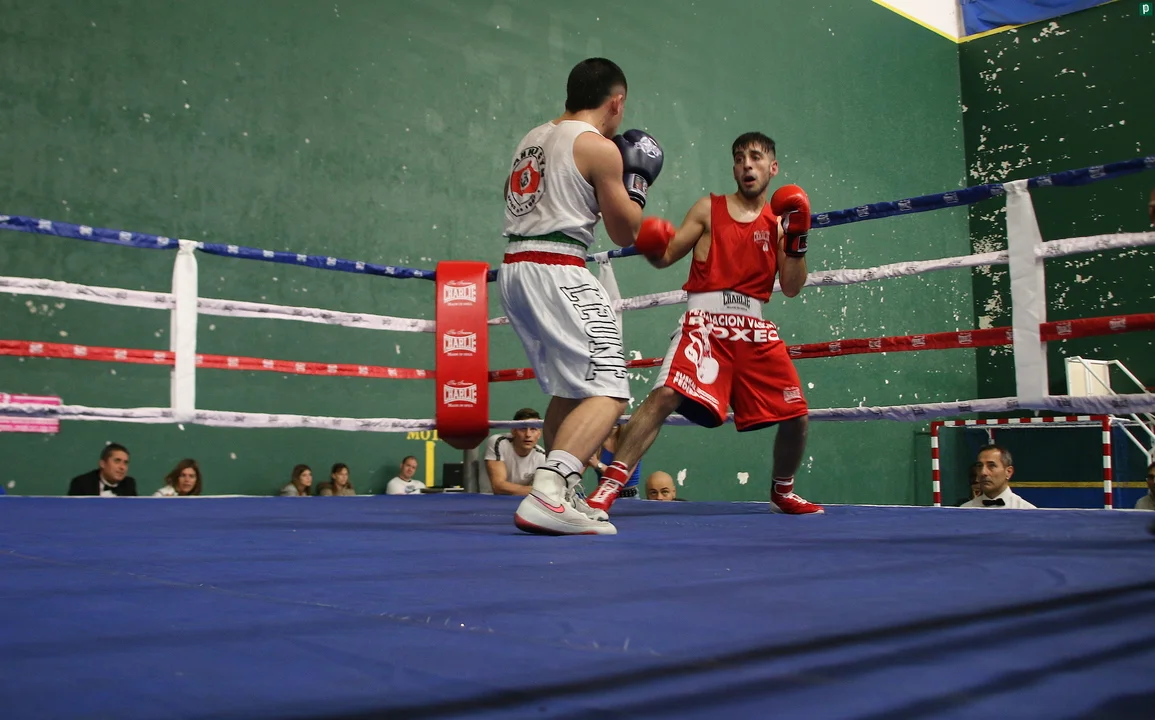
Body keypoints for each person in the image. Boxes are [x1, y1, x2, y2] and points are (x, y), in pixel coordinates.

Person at [584, 132, 822, 518]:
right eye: (740, 158)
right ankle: (610, 485)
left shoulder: (779, 225)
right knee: (664, 395)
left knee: (796, 414)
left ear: (772, 167)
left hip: (754, 329)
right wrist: (650, 243)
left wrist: (798, 238)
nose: (747, 164)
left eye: (756, 157)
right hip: (705, 324)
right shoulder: (708, 209)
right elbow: (666, 256)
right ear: (734, 168)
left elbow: (793, 287)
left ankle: (783, 491)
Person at [500, 57, 674, 535]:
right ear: (616, 102)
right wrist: (637, 185)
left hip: (515, 268)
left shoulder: (532, 138)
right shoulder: (599, 148)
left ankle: (563, 493)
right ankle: (548, 490)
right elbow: (625, 232)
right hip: (558, 266)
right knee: (610, 388)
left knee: (571, 387)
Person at [484, 408, 547, 496]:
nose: (528, 435)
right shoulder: (498, 442)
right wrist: (538, 492)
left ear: (539, 434)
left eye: (533, 429)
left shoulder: (542, 456)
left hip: (519, 501)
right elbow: (498, 486)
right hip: (487, 499)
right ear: (513, 431)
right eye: (522, 429)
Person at [961, 444, 1036, 509]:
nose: (983, 472)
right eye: (979, 466)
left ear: (1008, 472)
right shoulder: (964, 510)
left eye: (991, 466)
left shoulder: (1027, 511)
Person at [588, 424, 641, 499]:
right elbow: (582, 465)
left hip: (629, 496)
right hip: (604, 495)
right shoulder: (596, 442)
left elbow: (623, 477)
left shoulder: (632, 442)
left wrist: (598, 464)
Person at [68, 443, 138, 496]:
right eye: (117, 461)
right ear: (103, 464)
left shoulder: (129, 484)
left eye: (125, 463)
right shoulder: (82, 483)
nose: (122, 467)